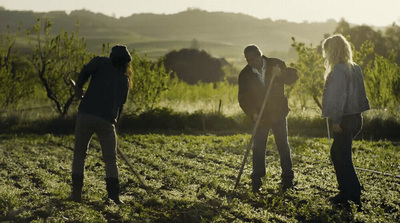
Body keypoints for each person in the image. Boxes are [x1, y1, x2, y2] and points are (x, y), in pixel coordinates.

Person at [68, 45, 132, 204]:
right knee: (111, 159)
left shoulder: (100, 62)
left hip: (86, 114)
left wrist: (80, 87)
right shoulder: (124, 80)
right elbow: (120, 105)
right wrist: (115, 123)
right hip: (107, 121)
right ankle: (114, 196)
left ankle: (76, 194)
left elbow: (85, 71)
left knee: (79, 155)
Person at [238, 44, 298, 193]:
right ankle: (257, 180)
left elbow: (293, 77)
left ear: (260, 55)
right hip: (261, 116)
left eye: (253, 59)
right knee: (258, 148)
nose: (251, 62)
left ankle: (287, 179)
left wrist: (281, 74)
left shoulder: (275, 64)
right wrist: (252, 114)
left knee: (283, 146)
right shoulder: (245, 74)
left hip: (278, 114)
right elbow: (243, 98)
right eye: (248, 60)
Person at [321, 34, 370, 208]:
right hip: (355, 117)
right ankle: (347, 190)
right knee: (338, 154)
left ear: (332, 51)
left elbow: (340, 97)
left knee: (342, 156)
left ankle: (352, 192)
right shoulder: (354, 68)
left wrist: (336, 120)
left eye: (326, 51)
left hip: (344, 118)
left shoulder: (339, 70)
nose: (325, 55)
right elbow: (361, 96)